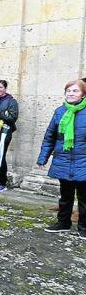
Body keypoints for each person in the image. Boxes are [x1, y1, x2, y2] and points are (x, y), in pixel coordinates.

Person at [37, 80, 86, 240]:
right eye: (68, 91)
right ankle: (63, 223)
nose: (70, 94)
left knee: (84, 198)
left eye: (75, 91)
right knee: (65, 195)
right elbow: (50, 136)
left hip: (83, 161)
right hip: (63, 160)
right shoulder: (59, 111)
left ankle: (83, 227)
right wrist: (43, 157)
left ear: (83, 94)